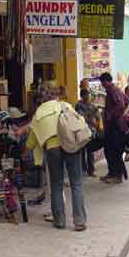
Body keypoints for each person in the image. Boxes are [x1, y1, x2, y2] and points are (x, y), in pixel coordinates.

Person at [26, 85, 87, 231]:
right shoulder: (66, 106)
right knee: (76, 184)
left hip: (52, 149)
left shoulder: (39, 112)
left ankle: (59, 221)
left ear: (42, 99)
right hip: (71, 145)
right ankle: (79, 221)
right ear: (57, 96)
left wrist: (25, 151)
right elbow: (79, 124)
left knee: (56, 185)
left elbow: (31, 142)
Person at [99, 72, 128, 184]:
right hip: (115, 125)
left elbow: (121, 105)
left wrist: (110, 115)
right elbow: (126, 101)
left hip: (115, 126)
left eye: (102, 83)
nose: (102, 85)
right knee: (110, 150)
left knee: (113, 151)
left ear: (106, 81)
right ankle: (112, 173)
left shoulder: (112, 90)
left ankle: (117, 176)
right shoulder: (115, 89)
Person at [75, 89, 102, 177]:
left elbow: (98, 116)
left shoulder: (92, 105)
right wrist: (92, 120)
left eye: (88, 95)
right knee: (82, 151)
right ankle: (83, 169)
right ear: (82, 96)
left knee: (90, 151)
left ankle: (91, 170)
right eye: (86, 95)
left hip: (91, 132)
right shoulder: (79, 105)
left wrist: (98, 123)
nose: (88, 97)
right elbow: (80, 117)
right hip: (82, 131)